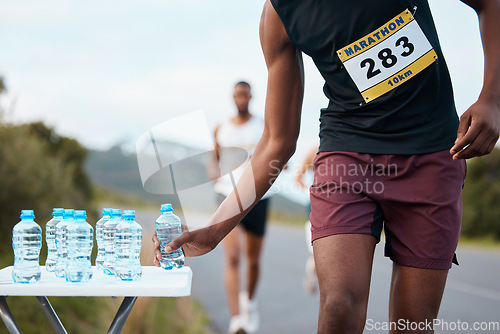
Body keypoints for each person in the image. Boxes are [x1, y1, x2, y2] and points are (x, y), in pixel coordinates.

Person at [155, 1, 500, 333]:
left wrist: (492, 99)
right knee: (339, 305)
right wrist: (213, 229)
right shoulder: (279, 14)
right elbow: (277, 141)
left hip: (431, 154)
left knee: (414, 323)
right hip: (347, 156)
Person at [212, 81, 270, 334]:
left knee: (253, 260)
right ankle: (236, 319)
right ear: (232, 98)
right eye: (237, 95)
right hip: (228, 195)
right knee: (233, 258)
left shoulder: (262, 125)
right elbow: (213, 158)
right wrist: (216, 175)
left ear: (251, 97)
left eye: (245, 95)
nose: (241, 99)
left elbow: (276, 149)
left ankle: (251, 303)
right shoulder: (221, 129)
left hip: (258, 195)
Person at [294, 145, 318, 294]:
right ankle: (311, 275)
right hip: (315, 205)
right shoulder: (313, 150)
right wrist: (309, 190)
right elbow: (298, 177)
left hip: (341, 204)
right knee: (317, 251)